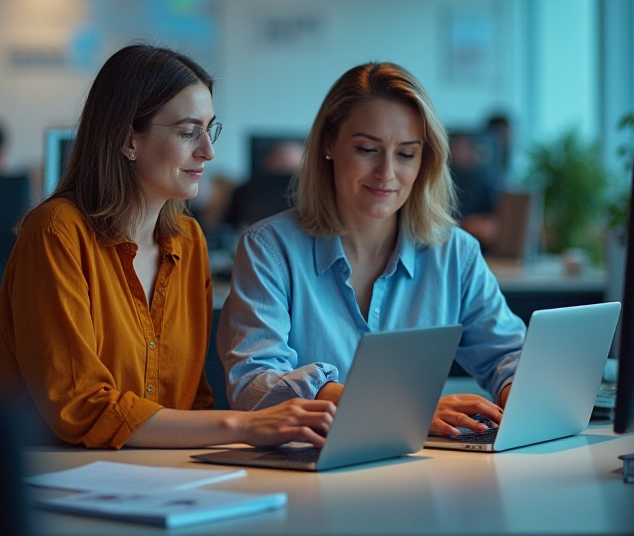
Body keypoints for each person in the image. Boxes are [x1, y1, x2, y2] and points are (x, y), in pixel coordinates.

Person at [0, 44, 334, 449]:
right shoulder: (56, 233)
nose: (208, 151)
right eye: (188, 132)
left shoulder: (187, 240)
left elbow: (192, 402)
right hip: (60, 477)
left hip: (162, 474)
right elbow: (80, 407)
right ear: (128, 139)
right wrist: (245, 427)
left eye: (209, 130)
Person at [218, 62, 526, 438]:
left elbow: (509, 355)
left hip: (423, 468)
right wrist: (399, 409)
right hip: (307, 475)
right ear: (329, 144)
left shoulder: (455, 254)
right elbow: (255, 387)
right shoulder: (269, 248)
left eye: (406, 154)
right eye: (367, 149)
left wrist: (519, 396)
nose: (386, 173)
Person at [223, 138, 304, 231]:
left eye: (290, 172)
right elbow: (229, 225)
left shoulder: (313, 194)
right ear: (267, 162)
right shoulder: (244, 191)